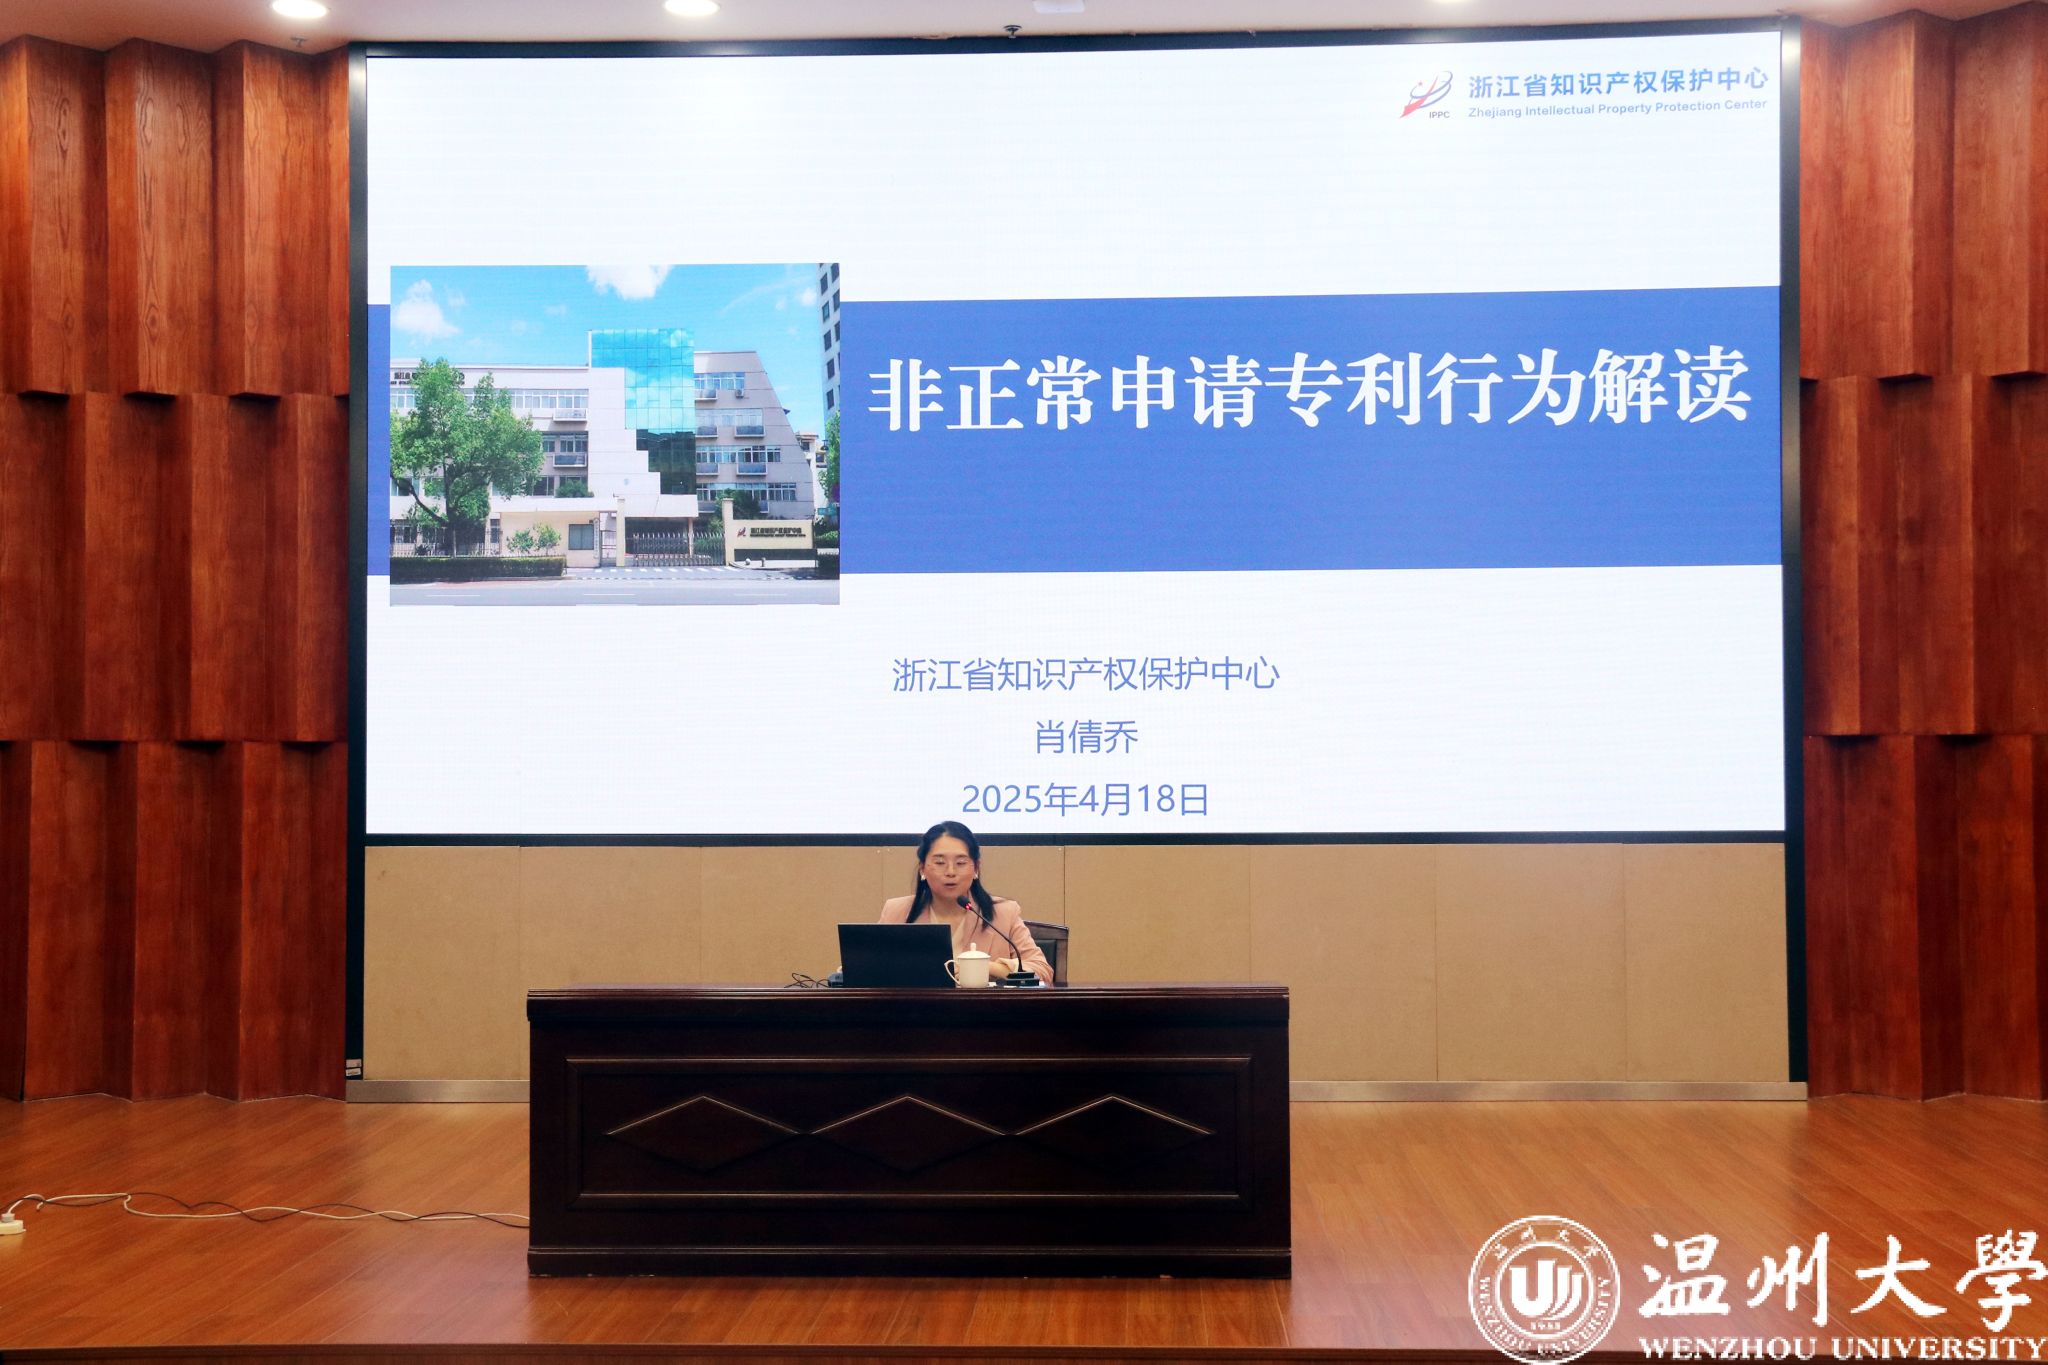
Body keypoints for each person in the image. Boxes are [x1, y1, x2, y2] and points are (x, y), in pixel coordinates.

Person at [879, 821, 1053, 985]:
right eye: (940, 862)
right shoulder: (896, 912)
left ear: (976, 868)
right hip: (916, 1006)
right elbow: (873, 968)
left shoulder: (1004, 913)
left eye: (961, 863)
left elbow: (1042, 970)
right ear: (922, 868)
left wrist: (988, 968)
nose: (950, 872)